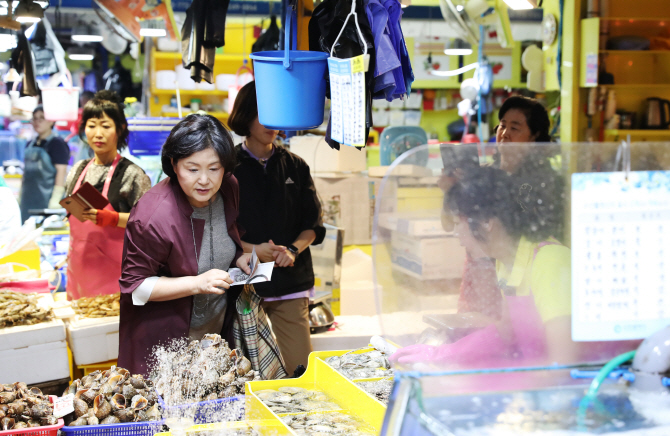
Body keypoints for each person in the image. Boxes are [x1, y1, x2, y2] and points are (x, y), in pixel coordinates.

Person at [393, 167, 577, 366]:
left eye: (458, 223)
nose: (456, 233)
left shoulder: (550, 262)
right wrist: (443, 353)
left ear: (486, 221)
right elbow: (506, 332)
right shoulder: (505, 261)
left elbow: (564, 365)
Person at [118, 114, 252, 376]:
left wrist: (238, 257)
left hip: (214, 338)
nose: (205, 180)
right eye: (193, 169)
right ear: (174, 164)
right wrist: (196, 283)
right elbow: (135, 287)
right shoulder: (153, 215)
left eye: (214, 168)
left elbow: (226, 234)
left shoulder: (228, 188)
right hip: (164, 343)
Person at [228, 81, 326, 374]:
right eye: (263, 113)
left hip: (290, 282)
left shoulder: (295, 165)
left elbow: (313, 223)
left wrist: (294, 249)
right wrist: (252, 249)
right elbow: (218, 228)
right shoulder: (227, 166)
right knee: (246, 373)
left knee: (301, 368)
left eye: (276, 113)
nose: (272, 122)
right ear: (245, 114)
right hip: (242, 284)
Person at [441, 96, 564, 320]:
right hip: (481, 267)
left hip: (520, 270)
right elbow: (449, 224)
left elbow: (525, 224)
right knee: (477, 330)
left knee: (507, 328)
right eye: (502, 125)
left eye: (514, 128)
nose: (504, 133)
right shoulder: (487, 174)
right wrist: (451, 192)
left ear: (535, 135)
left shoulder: (544, 180)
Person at [64, 90, 151, 300]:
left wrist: (112, 218)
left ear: (120, 129)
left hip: (116, 277)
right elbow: (70, 215)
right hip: (78, 272)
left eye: (105, 126)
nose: (98, 133)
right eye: (92, 125)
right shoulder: (77, 170)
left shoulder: (132, 174)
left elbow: (149, 223)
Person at [19, 106, 70, 222]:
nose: (37, 122)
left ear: (51, 121)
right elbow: (25, 174)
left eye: (41, 118)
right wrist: (20, 196)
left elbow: (61, 173)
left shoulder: (57, 144)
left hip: (47, 200)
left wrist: (56, 199)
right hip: (27, 200)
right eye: (35, 119)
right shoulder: (29, 144)